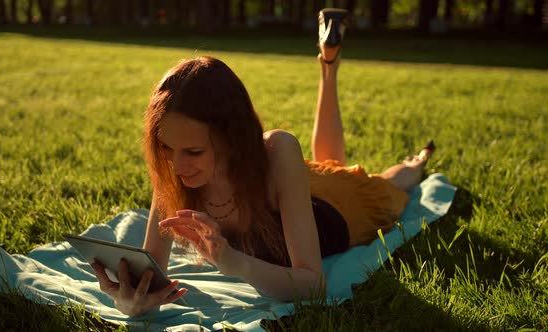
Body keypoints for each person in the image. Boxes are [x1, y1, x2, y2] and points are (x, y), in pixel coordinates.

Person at [91, 8, 435, 317]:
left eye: (194, 152)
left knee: (382, 183)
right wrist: (130, 301)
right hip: (299, 186)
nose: (177, 166)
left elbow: (312, 285)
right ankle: (329, 63)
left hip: (340, 209)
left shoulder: (277, 150)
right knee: (327, 162)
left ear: (232, 137)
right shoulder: (175, 159)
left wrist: (233, 262)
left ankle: (415, 159)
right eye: (166, 148)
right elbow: (153, 275)